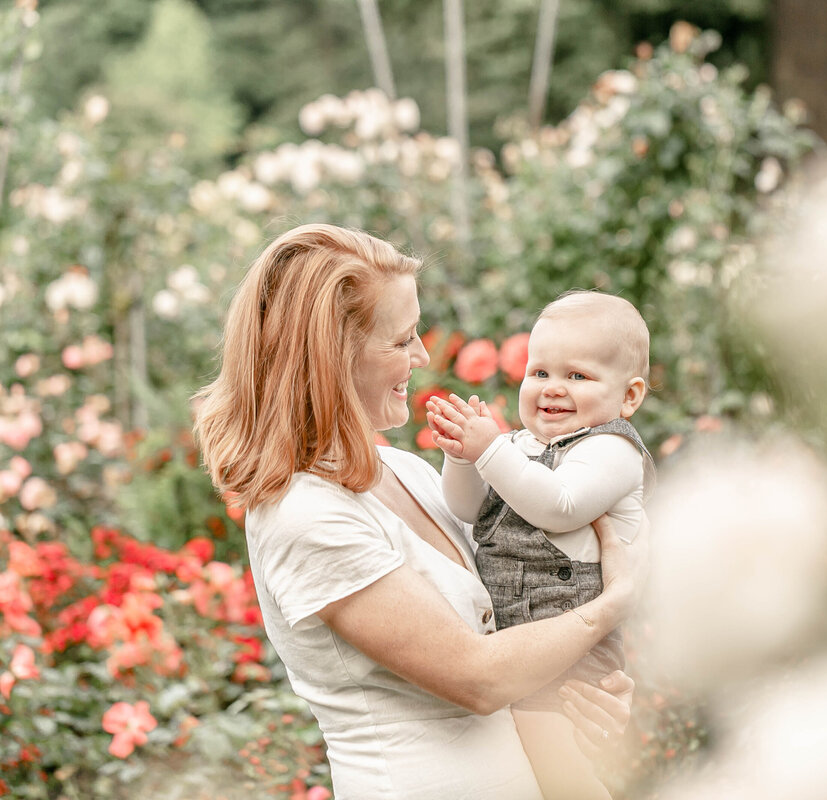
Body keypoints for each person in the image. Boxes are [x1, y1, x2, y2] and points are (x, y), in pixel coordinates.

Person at [193, 224, 644, 799]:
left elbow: (512, 624)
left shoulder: (401, 470)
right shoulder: (304, 515)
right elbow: (479, 678)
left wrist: (582, 691)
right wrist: (608, 610)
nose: (424, 355)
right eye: (402, 339)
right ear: (333, 357)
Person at [425, 291, 653, 800]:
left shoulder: (612, 449)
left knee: (555, 757)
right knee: (530, 757)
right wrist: (464, 458)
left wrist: (489, 451)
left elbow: (560, 505)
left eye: (578, 376)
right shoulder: (519, 448)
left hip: (572, 635)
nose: (552, 389)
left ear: (629, 396)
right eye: (540, 372)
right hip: (520, 634)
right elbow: (469, 509)